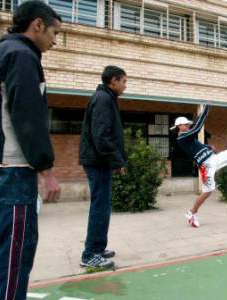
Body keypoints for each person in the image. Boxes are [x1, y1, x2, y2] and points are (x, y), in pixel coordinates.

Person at [0, 2, 61, 299]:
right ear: (37, 24)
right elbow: (27, 116)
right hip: (12, 169)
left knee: (3, 253)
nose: (55, 40)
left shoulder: (5, 53)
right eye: (54, 32)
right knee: (13, 256)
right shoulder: (21, 55)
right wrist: (46, 170)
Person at [79, 65, 127, 268]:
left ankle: (98, 248)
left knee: (103, 207)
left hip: (100, 162)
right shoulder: (103, 99)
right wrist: (117, 160)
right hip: (97, 162)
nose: (125, 85)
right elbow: (101, 136)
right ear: (113, 81)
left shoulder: (106, 98)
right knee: (100, 207)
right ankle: (90, 254)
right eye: (124, 81)